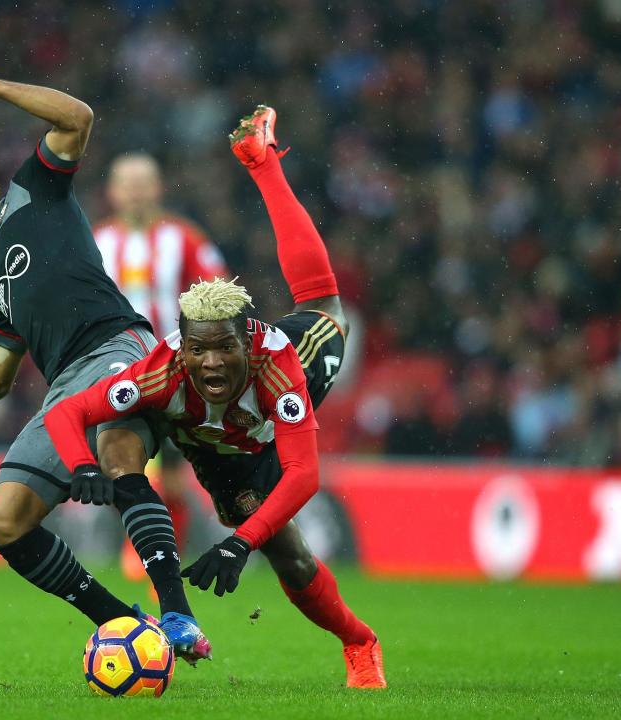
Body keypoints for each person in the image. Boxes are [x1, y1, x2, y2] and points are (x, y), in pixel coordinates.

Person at [44, 107, 385, 688]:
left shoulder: (276, 368)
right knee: (119, 441)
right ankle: (170, 603)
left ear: (245, 342)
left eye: (223, 349)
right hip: (194, 426)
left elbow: (304, 475)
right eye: (199, 351)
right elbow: (67, 411)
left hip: (261, 434)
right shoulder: (164, 370)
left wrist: (239, 544)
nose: (211, 362)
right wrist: (80, 466)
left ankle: (359, 642)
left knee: (290, 555)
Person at [0, 42, 208, 663]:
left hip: (120, 346)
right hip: (66, 388)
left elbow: (78, 117)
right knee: (4, 521)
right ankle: (127, 623)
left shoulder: (33, 192)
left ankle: (177, 616)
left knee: (120, 451)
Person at [94, 152, 228, 562]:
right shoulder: (96, 243)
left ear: (158, 188)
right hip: (117, 371)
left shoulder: (185, 239)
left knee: (172, 473)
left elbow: (221, 295)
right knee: (121, 460)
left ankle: (167, 552)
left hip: (175, 372)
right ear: (112, 192)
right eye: (126, 185)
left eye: (143, 184)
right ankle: (139, 549)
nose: (135, 193)